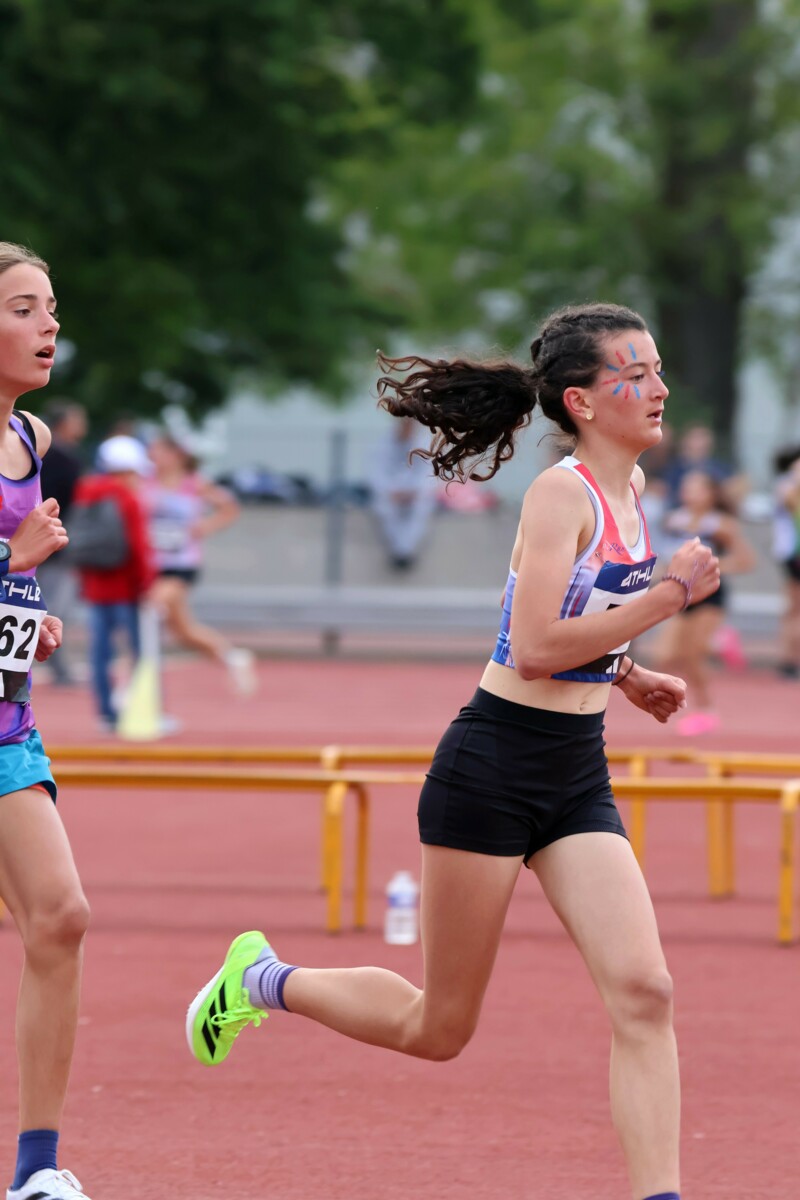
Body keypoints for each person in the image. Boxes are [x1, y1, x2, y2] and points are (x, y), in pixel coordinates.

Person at [186, 303, 720, 1200]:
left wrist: (626, 672)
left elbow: (552, 621)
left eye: (659, 368)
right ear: (584, 402)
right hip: (493, 769)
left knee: (646, 992)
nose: (660, 388)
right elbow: (537, 646)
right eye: (637, 374)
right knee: (439, 1028)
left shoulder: (629, 490)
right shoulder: (562, 494)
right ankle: (264, 979)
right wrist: (670, 596)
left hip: (576, 771)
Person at [0, 242, 93, 1200]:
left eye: (51, 307)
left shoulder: (28, 440)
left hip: (5, 730)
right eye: (24, 308)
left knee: (59, 918)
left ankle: (36, 1170)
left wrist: (24, 612)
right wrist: (11, 563)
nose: (49, 324)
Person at [143, 433, 256, 694]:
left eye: (158, 451)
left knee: (152, 606)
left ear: (175, 455)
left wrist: (205, 527)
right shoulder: (146, 481)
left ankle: (141, 685)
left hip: (181, 563)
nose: (152, 457)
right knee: (184, 632)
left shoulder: (194, 483)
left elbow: (229, 507)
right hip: (152, 562)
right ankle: (233, 658)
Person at [652, 470, 755, 735]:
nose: (688, 493)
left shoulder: (720, 525)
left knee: (693, 655)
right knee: (664, 656)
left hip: (709, 594)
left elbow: (746, 561)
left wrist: (707, 566)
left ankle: (706, 711)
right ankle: (720, 642)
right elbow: (668, 557)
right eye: (686, 487)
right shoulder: (675, 520)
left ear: (710, 494)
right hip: (681, 594)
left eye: (696, 488)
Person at [72, 436, 156, 733]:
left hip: (95, 586)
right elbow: (138, 547)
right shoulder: (128, 499)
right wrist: (146, 584)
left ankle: (106, 714)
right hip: (126, 589)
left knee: (100, 654)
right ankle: (139, 710)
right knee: (140, 653)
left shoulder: (85, 492)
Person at [37, 401, 88, 686]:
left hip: (39, 538)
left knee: (41, 602)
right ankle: (59, 667)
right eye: (77, 419)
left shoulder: (38, 453)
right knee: (55, 607)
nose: (82, 424)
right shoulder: (63, 457)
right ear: (64, 423)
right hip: (57, 540)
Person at [369, 414, 439, 569]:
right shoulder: (384, 445)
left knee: (421, 509)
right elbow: (377, 473)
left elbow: (429, 474)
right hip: (391, 493)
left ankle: (405, 550)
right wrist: (391, 491)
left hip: (415, 494)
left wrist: (415, 492)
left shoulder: (423, 445)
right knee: (385, 509)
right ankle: (399, 550)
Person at [773, 445, 800, 679]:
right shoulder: (787, 485)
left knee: (793, 609)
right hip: (794, 552)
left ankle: (789, 658)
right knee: (795, 608)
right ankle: (790, 658)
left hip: (790, 552)